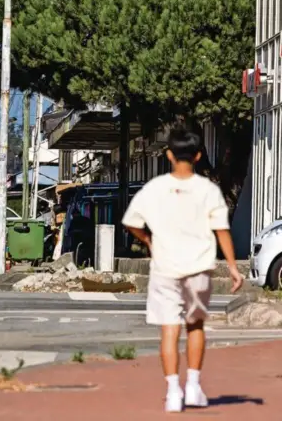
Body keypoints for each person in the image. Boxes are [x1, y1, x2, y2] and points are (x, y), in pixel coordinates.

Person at [122, 128, 243, 414]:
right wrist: (234, 267)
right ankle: (194, 385)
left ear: (168, 155)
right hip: (199, 267)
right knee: (196, 325)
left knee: (169, 330)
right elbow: (221, 230)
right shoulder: (208, 190)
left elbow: (131, 222)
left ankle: (173, 390)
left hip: (165, 267)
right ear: (199, 156)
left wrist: (148, 239)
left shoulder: (155, 188)